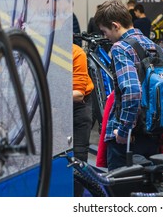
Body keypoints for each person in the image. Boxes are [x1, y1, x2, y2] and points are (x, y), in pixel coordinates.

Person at [94, 0, 163, 171]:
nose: (106, 37)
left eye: (105, 31)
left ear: (115, 25)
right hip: (153, 132)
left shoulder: (121, 48)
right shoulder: (155, 47)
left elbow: (133, 91)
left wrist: (124, 130)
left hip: (128, 139)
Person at [72, 15, 94, 196]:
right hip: (57, 109)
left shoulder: (76, 53)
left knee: (78, 159)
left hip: (79, 107)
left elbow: (78, 95)